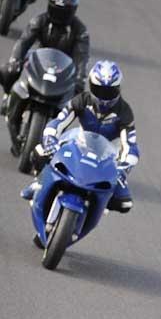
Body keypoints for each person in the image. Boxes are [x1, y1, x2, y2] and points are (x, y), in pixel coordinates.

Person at [24, 60, 139, 213]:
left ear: (118, 89)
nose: (104, 97)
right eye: (99, 90)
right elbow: (59, 121)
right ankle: (39, 182)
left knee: (125, 204)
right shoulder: (82, 100)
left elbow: (130, 146)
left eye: (109, 92)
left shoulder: (124, 112)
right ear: (91, 86)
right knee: (39, 152)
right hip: (80, 143)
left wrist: (123, 169)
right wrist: (50, 139)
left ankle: (98, 206)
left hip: (107, 157)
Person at [2, 0, 89, 153]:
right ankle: (8, 98)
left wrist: (80, 78)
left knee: (76, 97)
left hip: (64, 70)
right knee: (8, 70)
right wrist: (15, 60)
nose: (61, 14)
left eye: (65, 11)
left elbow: (82, 56)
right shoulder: (39, 20)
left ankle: (56, 134)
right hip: (39, 61)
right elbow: (23, 41)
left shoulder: (80, 31)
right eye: (58, 10)